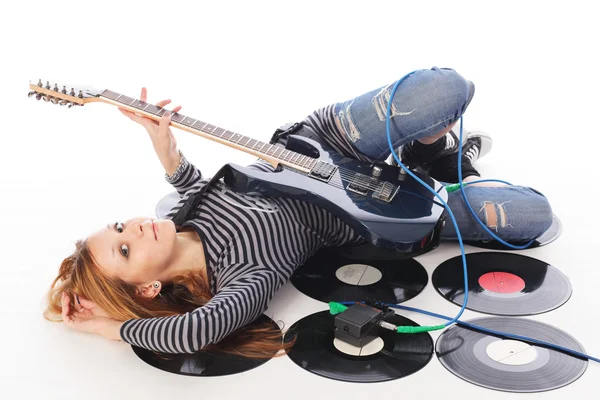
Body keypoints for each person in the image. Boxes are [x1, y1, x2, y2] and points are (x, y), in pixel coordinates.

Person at [44, 67, 553, 359]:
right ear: (148, 288)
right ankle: (440, 160)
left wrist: (163, 141)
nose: (130, 227)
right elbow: (192, 332)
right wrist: (103, 326)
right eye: (126, 248)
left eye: (117, 227)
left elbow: (188, 181)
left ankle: (426, 151)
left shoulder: (178, 212)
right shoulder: (238, 280)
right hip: (374, 209)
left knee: (445, 90)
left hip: (318, 143)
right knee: (532, 215)